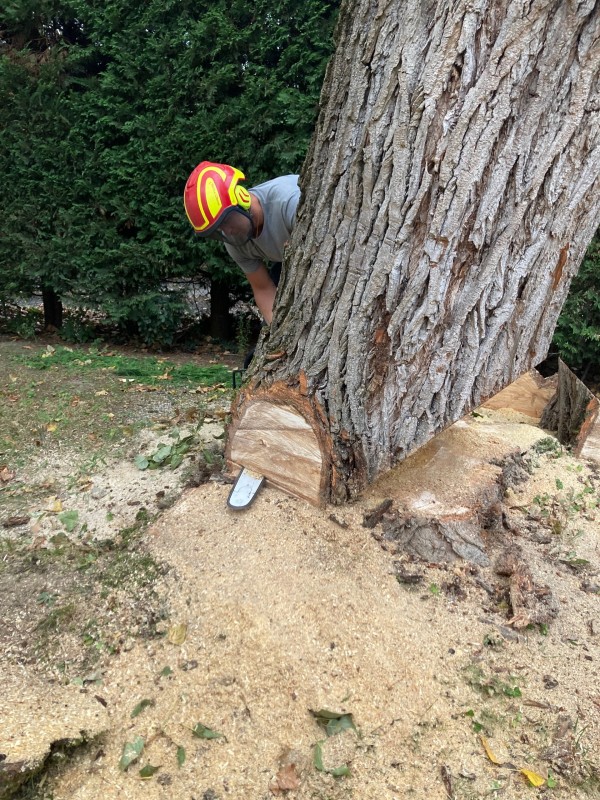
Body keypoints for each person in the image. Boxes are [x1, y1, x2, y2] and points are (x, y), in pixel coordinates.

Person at [183, 161, 300, 325]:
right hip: (287, 259)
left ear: (241, 199)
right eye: (219, 229)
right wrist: (279, 334)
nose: (227, 231)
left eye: (226, 221)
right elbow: (263, 288)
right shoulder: (234, 241)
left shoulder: (289, 204)